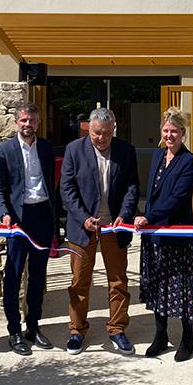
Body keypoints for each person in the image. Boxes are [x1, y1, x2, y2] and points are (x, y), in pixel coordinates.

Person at [60, 107, 139, 355]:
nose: (101, 138)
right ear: (88, 129)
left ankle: (117, 329)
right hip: (83, 229)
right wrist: (83, 218)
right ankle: (76, 330)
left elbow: (132, 187)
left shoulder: (126, 150)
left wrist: (123, 216)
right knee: (79, 282)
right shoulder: (74, 150)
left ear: (113, 129)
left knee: (117, 281)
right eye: (96, 133)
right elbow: (67, 188)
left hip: (114, 228)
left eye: (106, 133)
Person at [134, 108, 193, 362]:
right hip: (154, 235)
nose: (169, 135)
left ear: (183, 133)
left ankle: (187, 337)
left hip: (176, 234)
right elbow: (151, 194)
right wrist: (145, 217)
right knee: (157, 285)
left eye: (174, 131)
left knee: (180, 286)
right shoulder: (158, 156)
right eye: (166, 130)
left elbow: (178, 198)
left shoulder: (189, 161)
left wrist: (149, 217)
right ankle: (160, 335)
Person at [0, 103, 57, 356]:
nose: (27, 125)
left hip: (41, 215)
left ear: (38, 123)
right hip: (19, 219)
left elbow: (50, 184)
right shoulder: (5, 150)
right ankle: (14, 331)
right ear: (16, 122)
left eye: (32, 121)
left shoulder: (46, 148)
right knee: (14, 275)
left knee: (38, 277)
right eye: (23, 120)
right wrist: (3, 212)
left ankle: (33, 327)